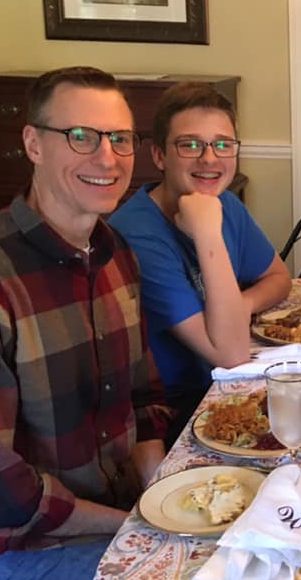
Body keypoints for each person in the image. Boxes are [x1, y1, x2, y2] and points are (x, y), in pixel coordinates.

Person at [0, 66, 169, 580]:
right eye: (81, 136)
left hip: (115, 514)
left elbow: (144, 396)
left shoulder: (116, 253)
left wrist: (159, 501)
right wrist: (134, 527)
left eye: (120, 138)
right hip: (12, 552)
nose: (108, 158)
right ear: (33, 144)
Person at [110, 83, 291, 446]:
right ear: (159, 156)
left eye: (222, 144)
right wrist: (207, 232)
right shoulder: (137, 234)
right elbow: (232, 356)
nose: (210, 159)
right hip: (176, 414)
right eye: (190, 144)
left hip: (226, 389)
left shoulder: (227, 204)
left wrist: (242, 305)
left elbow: (279, 277)